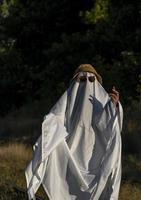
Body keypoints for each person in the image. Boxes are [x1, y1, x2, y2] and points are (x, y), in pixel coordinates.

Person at [25, 64, 123, 200]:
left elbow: (109, 127)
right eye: (82, 80)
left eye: (91, 80)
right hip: (71, 154)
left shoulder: (101, 101)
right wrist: (50, 126)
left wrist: (114, 106)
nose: (87, 83)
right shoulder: (68, 98)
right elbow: (55, 119)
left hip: (95, 157)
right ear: (75, 82)